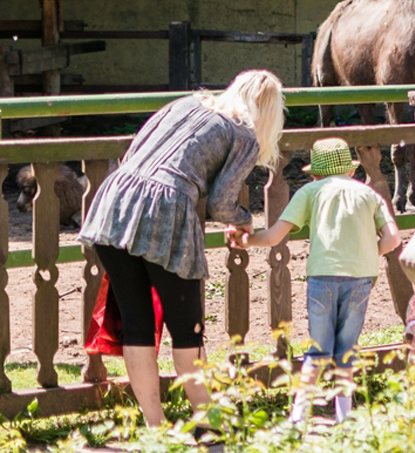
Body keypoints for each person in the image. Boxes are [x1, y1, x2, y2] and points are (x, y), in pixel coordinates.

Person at [79, 69, 285, 427]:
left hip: (115, 204)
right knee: (187, 329)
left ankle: (156, 426)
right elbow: (222, 204)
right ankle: (206, 422)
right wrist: (245, 221)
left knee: (137, 324)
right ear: (269, 112)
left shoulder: (185, 103)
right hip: (166, 212)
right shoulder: (243, 134)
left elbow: (135, 152)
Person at [235, 137, 402, 423]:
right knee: (346, 349)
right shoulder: (369, 194)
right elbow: (393, 238)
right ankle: (344, 417)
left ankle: (299, 417)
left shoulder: (311, 191)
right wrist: (367, 252)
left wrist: (246, 241)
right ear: (351, 170)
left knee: (319, 349)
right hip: (361, 277)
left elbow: (275, 236)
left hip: (323, 276)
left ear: (316, 173)